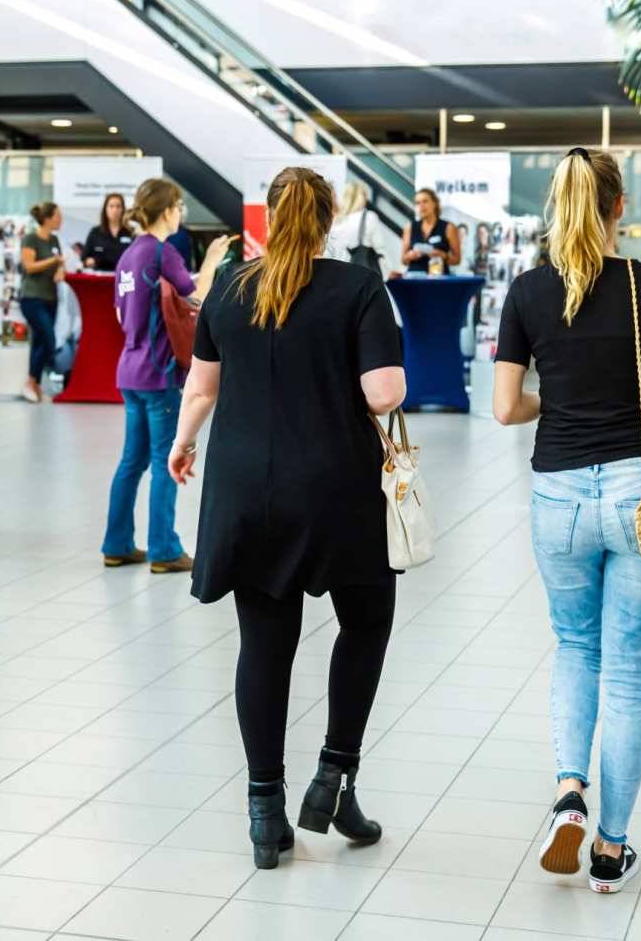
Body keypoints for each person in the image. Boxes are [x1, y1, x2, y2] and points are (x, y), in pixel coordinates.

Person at [167, 166, 405, 871]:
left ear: (266, 217)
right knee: (367, 621)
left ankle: (264, 814)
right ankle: (335, 778)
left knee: (265, 643)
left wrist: (182, 445)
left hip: (246, 487)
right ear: (328, 218)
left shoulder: (231, 286)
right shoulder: (358, 286)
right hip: (336, 487)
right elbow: (383, 392)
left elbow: (201, 386)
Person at [493, 148, 641, 895]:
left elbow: (503, 408)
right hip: (637, 495)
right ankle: (612, 849)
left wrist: (559, 397)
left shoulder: (525, 291)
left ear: (558, 206)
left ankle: (568, 791)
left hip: (556, 496)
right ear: (620, 207)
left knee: (574, 647)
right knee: (628, 669)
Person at [101, 179, 231, 575]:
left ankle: (117, 543)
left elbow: (122, 315)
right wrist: (211, 260)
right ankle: (164, 549)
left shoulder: (128, 256)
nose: (180, 214)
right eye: (178, 207)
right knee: (163, 461)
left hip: (129, 369)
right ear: (169, 209)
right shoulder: (162, 253)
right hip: (158, 374)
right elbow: (199, 297)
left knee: (131, 461)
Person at [19, 202, 65, 404]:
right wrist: (54, 262)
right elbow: (29, 266)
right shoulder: (31, 238)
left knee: (39, 341)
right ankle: (30, 382)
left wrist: (60, 269)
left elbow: (59, 265)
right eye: (57, 216)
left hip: (50, 297)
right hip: (32, 297)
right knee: (49, 341)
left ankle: (35, 384)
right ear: (47, 218)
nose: (60, 219)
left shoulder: (54, 239)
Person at [330, 179, 402, 280]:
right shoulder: (369, 217)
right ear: (362, 197)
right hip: (364, 274)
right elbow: (380, 249)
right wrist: (389, 271)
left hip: (341, 274)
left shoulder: (337, 220)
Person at [401, 187, 461, 273]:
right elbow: (403, 260)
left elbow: (457, 260)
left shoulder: (449, 227)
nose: (421, 206)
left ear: (434, 203)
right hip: (415, 280)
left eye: (425, 201)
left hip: (439, 280)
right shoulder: (409, 227)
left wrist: (443, 255)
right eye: (418, 203)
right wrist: (410, 256)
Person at [83, 193, 133, 271]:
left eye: (118, 206)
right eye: (111, 206)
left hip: (124, 278)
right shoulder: (95, 232)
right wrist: (88, 261)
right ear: (105, 209)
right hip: (100, 278)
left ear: (123, 209)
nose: (115, 210)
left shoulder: (131, 232)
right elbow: (84, 257)